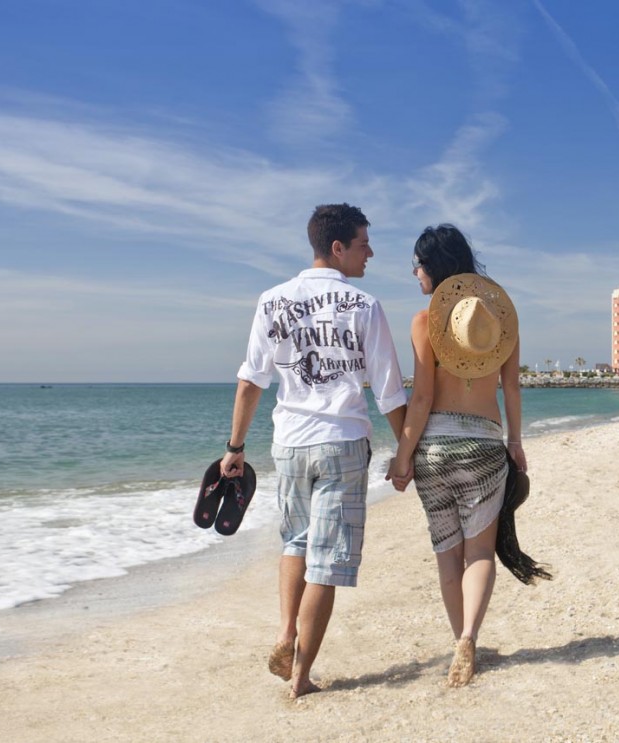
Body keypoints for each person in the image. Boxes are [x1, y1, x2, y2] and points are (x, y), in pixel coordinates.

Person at [221, 203, 407, 699]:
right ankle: (301, 677)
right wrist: (406, 450)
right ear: (338, 247)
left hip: (289, 444)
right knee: (328, 560)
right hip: (342, 442)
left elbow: (250, 381)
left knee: (295, 542)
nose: (371, 252)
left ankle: (286, 631)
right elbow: (389, 390)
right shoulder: (364, 305)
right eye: (364, 243)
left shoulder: (271, 300)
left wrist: (235, 447)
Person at [387, 224, 527, 687]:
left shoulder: (424, 321)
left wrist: (402, 456)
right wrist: (515, 443)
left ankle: (458, 644)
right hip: (485, 447)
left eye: (419, 264)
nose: (415, 272)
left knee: (448, 554)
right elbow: (511, 389)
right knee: (480, 551)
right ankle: (469, 637)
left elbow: (422, 399)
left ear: (436, 267)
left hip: (434, 451)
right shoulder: (501, 321)